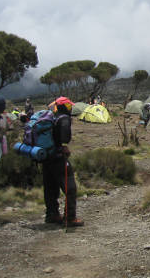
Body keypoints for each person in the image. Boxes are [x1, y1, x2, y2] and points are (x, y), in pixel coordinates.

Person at [42, 97, 83, 226]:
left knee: (50, 187)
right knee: (70, 187)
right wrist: (64, 144)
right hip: (58, 157)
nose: (70, 109)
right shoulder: (64, 119)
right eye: (69, 106)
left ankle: (52, 214)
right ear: (64, 107)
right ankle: (70, 217)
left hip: (46, 157)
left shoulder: (52, 117)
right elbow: (65, 137)